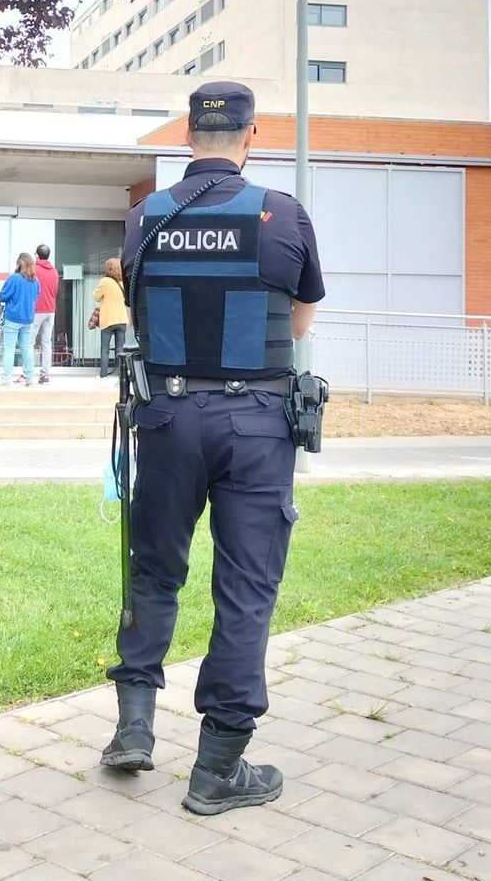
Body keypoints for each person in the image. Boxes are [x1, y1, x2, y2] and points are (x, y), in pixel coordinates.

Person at [100, 81, 323, 816]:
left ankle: (133, 729)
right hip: (256, 422)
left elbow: (137, 305)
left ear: (188, 137)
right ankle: (219, 766)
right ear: (250, 136)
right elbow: (297, 324)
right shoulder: (281, 214)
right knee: (247, 585)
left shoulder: (145, 218)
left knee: (153, 569)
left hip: (165, 418)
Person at [0, 253, 41, 385]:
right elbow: (36, 297)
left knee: (9, 348)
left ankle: (6, 378)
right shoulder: (35, 281)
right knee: (26, 348)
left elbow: (3, 296)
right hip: (28, 319)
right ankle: (30, 377)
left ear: (19, 263)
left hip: (13, 317)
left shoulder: (15, 278)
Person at [92, 257, 130, 378]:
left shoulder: (105, 281)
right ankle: (120, 374)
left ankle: (103, 374)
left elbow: (96, 296)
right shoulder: (123, 283)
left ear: (108, 269)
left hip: (108, 320)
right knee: (120, 349)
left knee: (105, 349)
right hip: (122, 320)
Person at [30, 245, 60, 384]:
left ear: (37, 255)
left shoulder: (34, 269)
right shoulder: (54, 271)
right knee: (46, 343)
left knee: (29, 342)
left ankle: (27, 373)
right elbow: (55, 291)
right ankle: (45, 374)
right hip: (50, 310)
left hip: (37, 310)